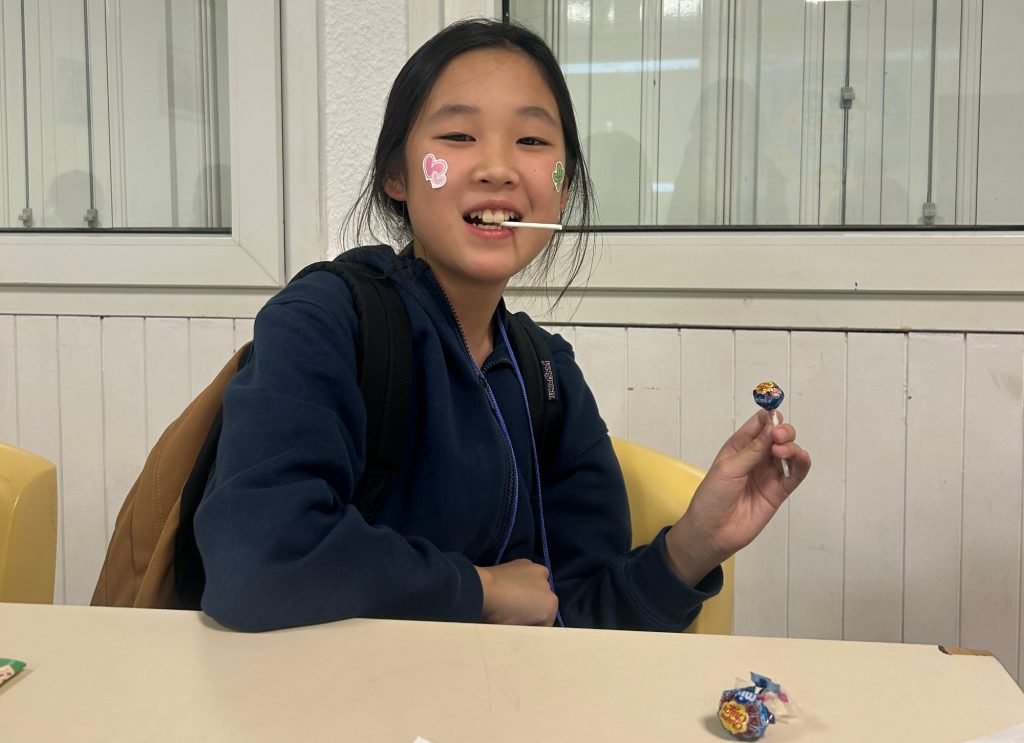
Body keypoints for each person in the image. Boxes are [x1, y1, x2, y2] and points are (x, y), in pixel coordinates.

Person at [193, 18, 811, 632]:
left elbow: (579, 619)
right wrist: (482, 590)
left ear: (564, 185)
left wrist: (694, 545)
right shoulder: (324, 322)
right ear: (396, 175)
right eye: (459, 135)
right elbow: (257, 562)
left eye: (533, 141)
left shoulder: (549, 377)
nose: (498, 168)